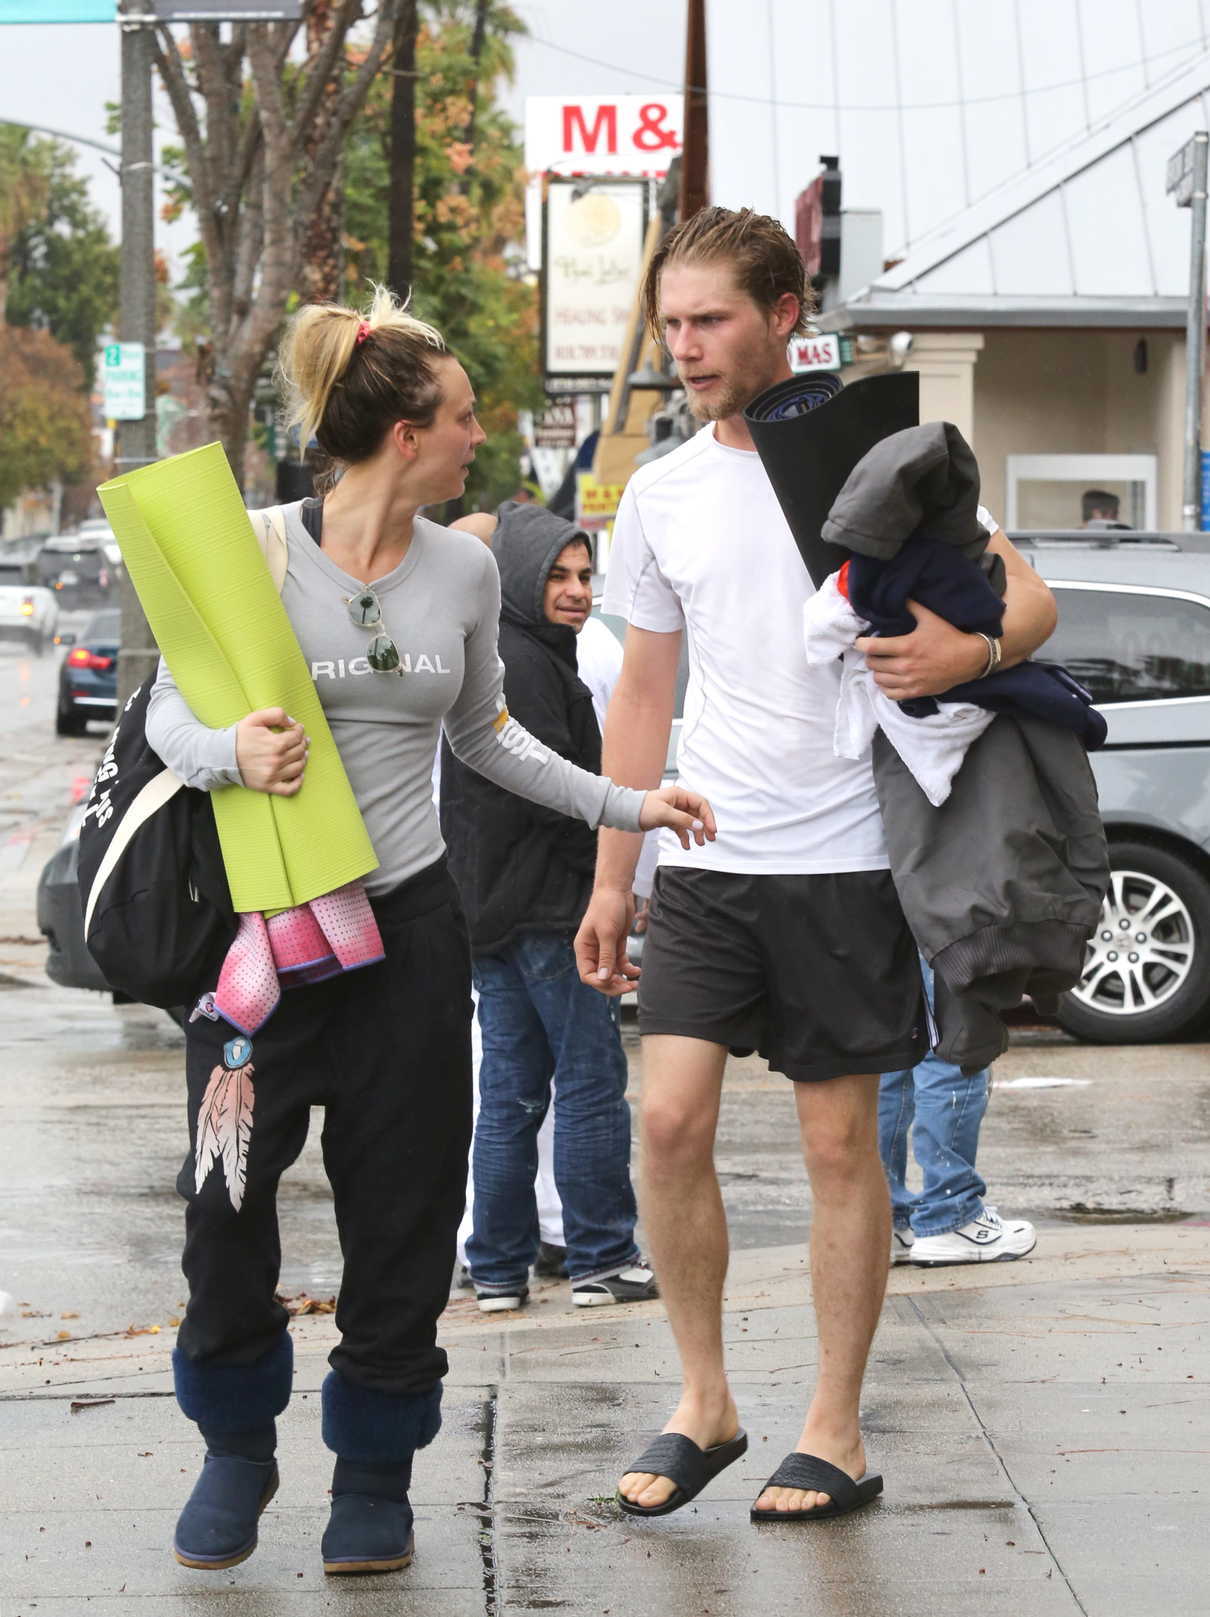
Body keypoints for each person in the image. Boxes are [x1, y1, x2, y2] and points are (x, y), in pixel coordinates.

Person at [142, 287, 715, 1578]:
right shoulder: (249, 547)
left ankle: (374, 1474)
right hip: (263, 944)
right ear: (404, 431)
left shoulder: (459, 567)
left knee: (402, 1216)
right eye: (461, 417)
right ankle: (234, 1448)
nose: (477, 436)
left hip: (407, 932)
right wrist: (231, 750)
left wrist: (633, 802)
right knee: (224, 1208)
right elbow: (166, 721)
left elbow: (489, 737)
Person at [574, 206, 1058, 1522]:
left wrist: (968, 654)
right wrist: (614, 872)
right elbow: (642, 693)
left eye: (710, 318)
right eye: (669, 322)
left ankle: (832, 1430)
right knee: (665, 1121)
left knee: (839, 1145)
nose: (684, 346)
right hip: (708, 853)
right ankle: (703, 1400)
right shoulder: (660, 492)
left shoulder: (878, 455)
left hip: (848, 859)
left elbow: (1027, 598)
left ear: (782, 313)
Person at [441, 502, 657, 1312]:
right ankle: (602, 1254)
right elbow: (550, 798)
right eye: (558, 575)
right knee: (590, 1079)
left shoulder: (511, 653)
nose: (576, 591)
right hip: (547, 914)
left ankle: (497, 1267)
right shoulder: (526, 665)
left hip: (495, 912)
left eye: (584, 575)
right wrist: (607, 887)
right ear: (523, 580)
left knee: (510, 1091)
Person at [881, 962, 1036, 1266]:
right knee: (950, 1039)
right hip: (930, 919)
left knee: (889, 1055)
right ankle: (950, 1215)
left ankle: (882, 1221)